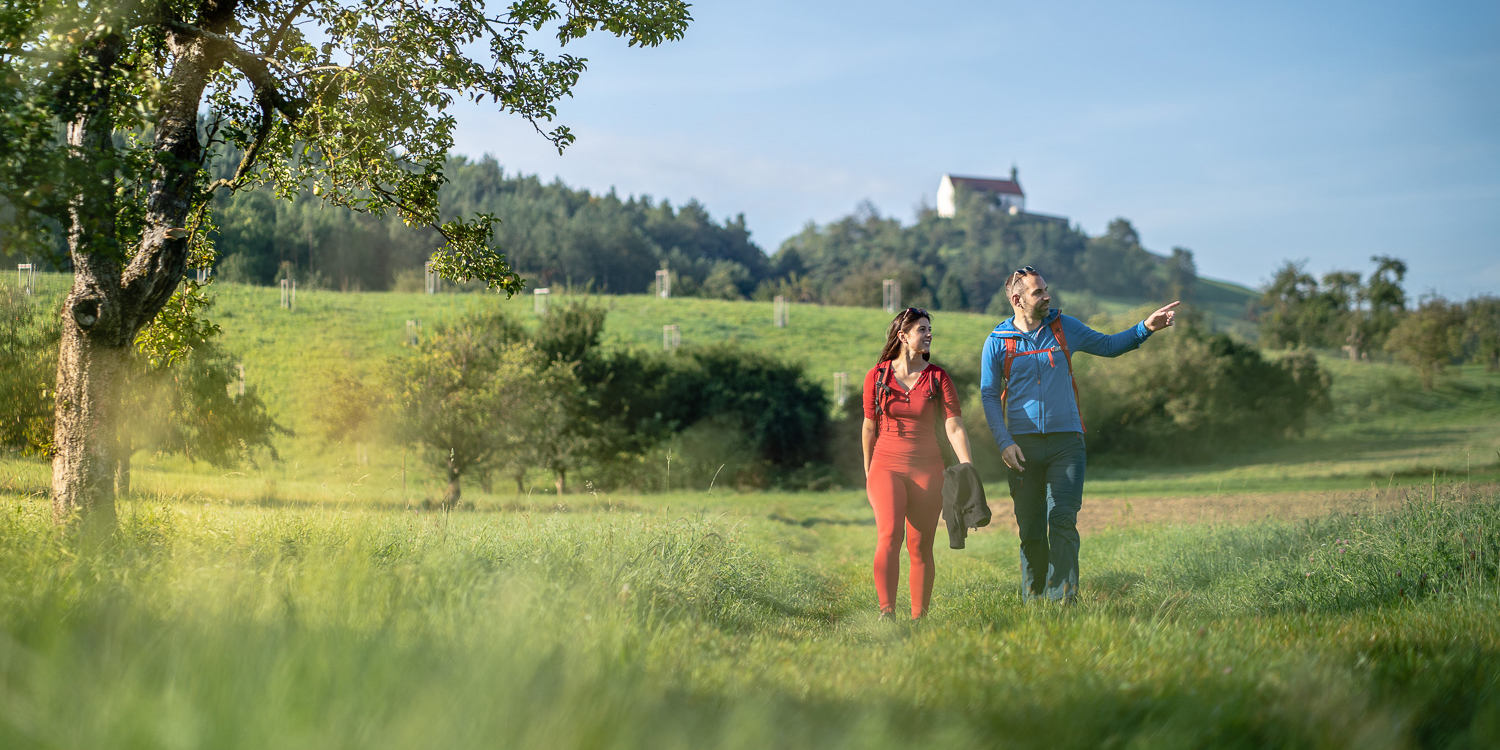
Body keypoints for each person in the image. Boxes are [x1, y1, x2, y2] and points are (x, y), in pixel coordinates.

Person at [979, 267, 1178, 604]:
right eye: (1038, 292)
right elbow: (988, 395)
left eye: (1046, 289)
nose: (1047, 296)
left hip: (1067, 444)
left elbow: (1109, 345)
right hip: (1022, 447)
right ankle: (1034, 600)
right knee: (1031, 529)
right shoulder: (997, 342)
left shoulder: (1064, 327)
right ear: (1017, 299)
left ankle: (1063, 602)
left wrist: (1145, 327)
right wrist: (1004, 442)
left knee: (1062, 520)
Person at [862, 307, 974, 620]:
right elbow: (869, 427)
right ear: (903, 336)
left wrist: (967, 466)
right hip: (886, 466)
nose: (928, 335)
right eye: (922, 329)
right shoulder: (877, 376)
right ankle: (887, 613)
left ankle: (918, 618)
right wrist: (869, 470)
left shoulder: (938, 377)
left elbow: (954, 425)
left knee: (920, 545)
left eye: (929, 329)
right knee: (889, 536)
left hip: (928, 469)